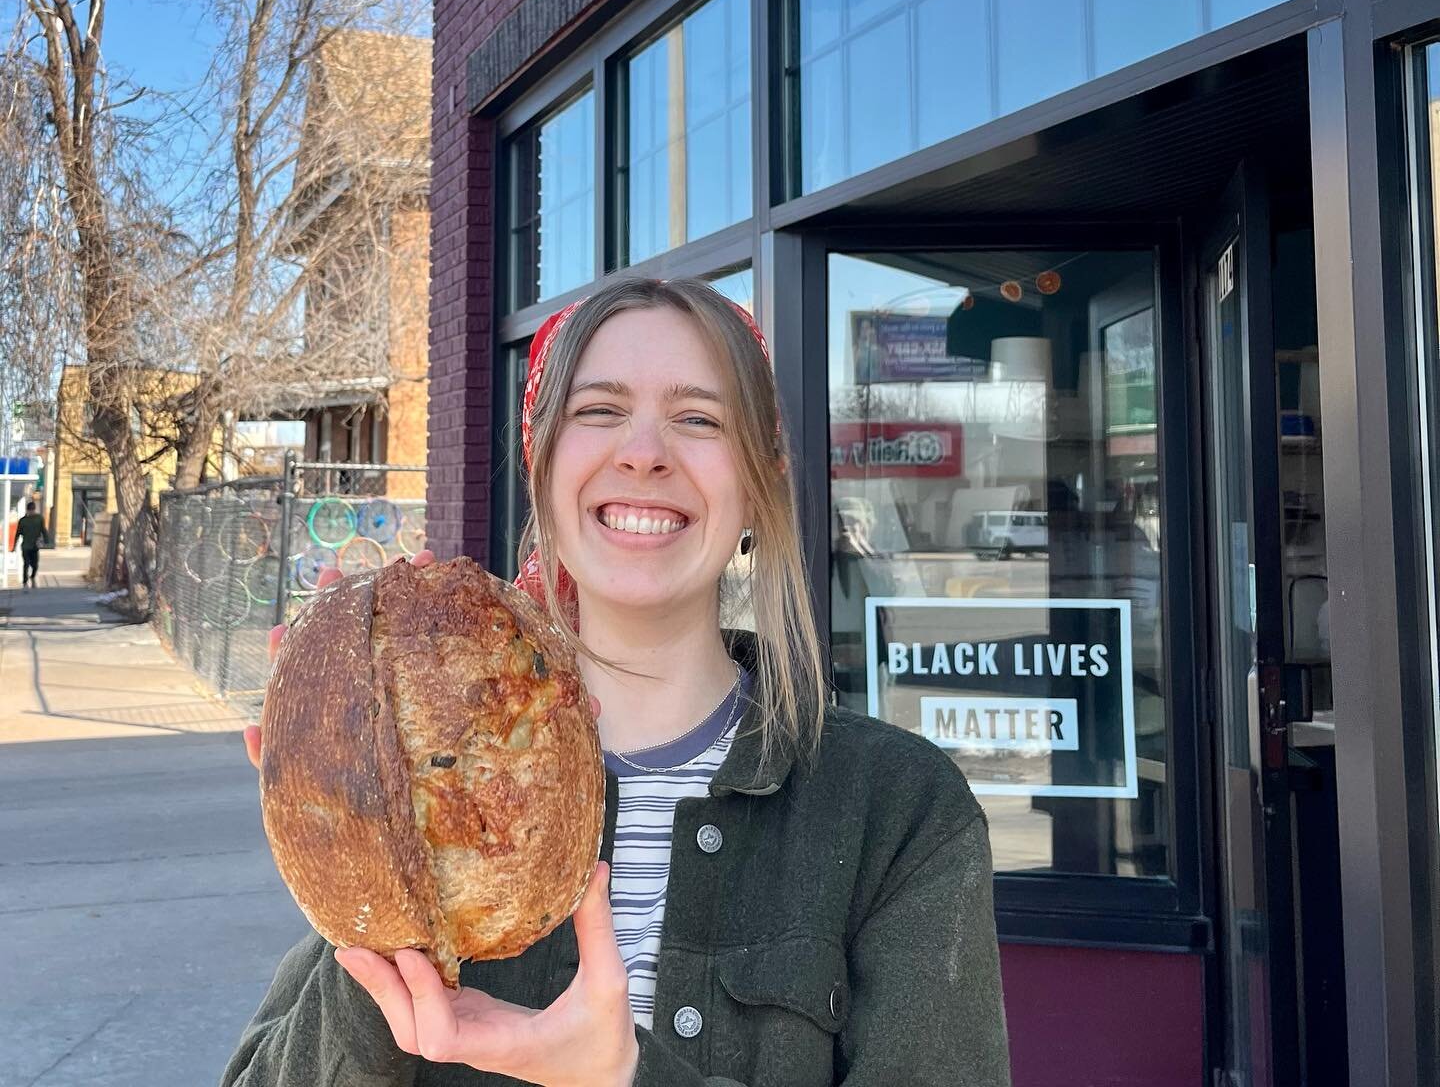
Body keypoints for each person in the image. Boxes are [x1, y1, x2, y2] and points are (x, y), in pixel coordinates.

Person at [224, 278, 1011, 1086]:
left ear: (757, 485)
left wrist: (622, 1076)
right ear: (544, 464)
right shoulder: (422, 796)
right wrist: (366, 863)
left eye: (699, 418)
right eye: (599, 411)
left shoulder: (898, 811)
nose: (643, 451)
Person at [11, 498, 45, 589]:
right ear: (27, 510)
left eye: (33, 510)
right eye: (30, 510)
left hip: (35, 546)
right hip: (25, 546)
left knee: (35, 565)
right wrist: (14, 546)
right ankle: (25, 582)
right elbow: (17, 534)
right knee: (26, 564)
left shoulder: (39, 519)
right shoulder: (23, 521)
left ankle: (33, 576)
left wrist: (46, 541)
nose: (32, 512)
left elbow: (43, 530)